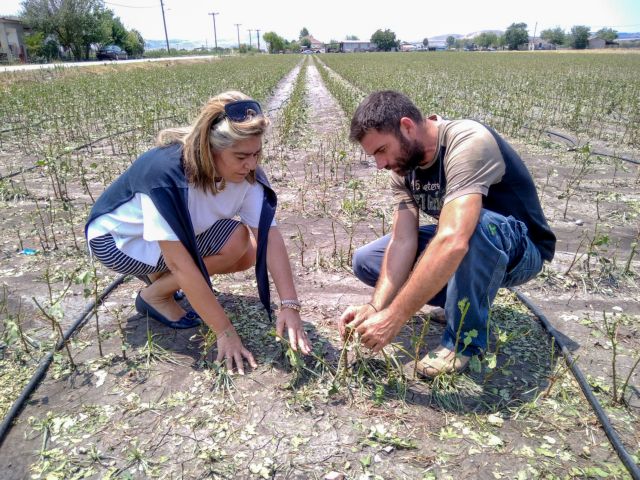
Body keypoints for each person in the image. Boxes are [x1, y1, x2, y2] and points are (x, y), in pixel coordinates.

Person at [86, 91, 311, 374]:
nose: (251, 164)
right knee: (212, 253)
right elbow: (181, 263)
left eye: (256, 154)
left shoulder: (248, 177)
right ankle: (155, 295)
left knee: (247, 247)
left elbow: (271, 239)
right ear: (209, 149)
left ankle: (161, 282)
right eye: (241, 156)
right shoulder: (167, 176)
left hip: (172, 236)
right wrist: (224, 331)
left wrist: (290, 305)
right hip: (119, 243)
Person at [338, 90, 556, 377]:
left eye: (381, 150)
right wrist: (376, 305)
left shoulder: (467, 142)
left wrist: (395, 316)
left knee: (470, 229)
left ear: (406, 126)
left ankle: (462, 342)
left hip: (520, 248)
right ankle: (459, 301)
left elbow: (454, 240)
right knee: (368, 259)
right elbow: (403, 240)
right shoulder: (403, 169)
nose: (380, 164)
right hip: (468, 240)